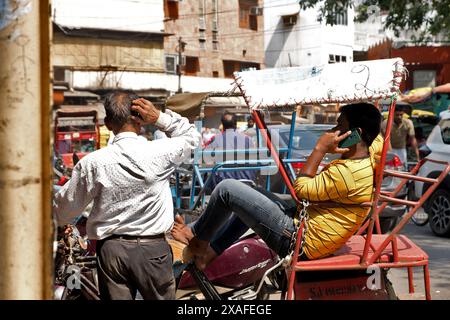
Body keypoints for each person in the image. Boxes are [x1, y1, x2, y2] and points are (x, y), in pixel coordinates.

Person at [172, 103, 383, 270]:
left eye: (339, 126)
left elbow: (300, 189)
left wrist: (320, 148)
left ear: (356, 133)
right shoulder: (369, 155)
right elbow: (379, 138)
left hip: (299, 241)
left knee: (226, 189)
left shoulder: (348, 173)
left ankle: (199, 240)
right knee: (249, 194)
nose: (333, 131)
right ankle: (209, 252)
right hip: (304, 226)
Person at [53, 90, 201, 299]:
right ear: (140, 119)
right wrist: (160, 118)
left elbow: (63, 210)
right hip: (153, 252)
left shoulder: (93, 163)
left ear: (108, 124)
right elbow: (192, 137)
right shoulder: (161, 152)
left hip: (112, 253)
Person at [204, 111, 256, 189]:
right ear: (235, 124)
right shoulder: (247, 139)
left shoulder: (215, 139)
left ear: (223, 125)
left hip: (223, 183)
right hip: (247, 181)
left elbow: (206, 160)